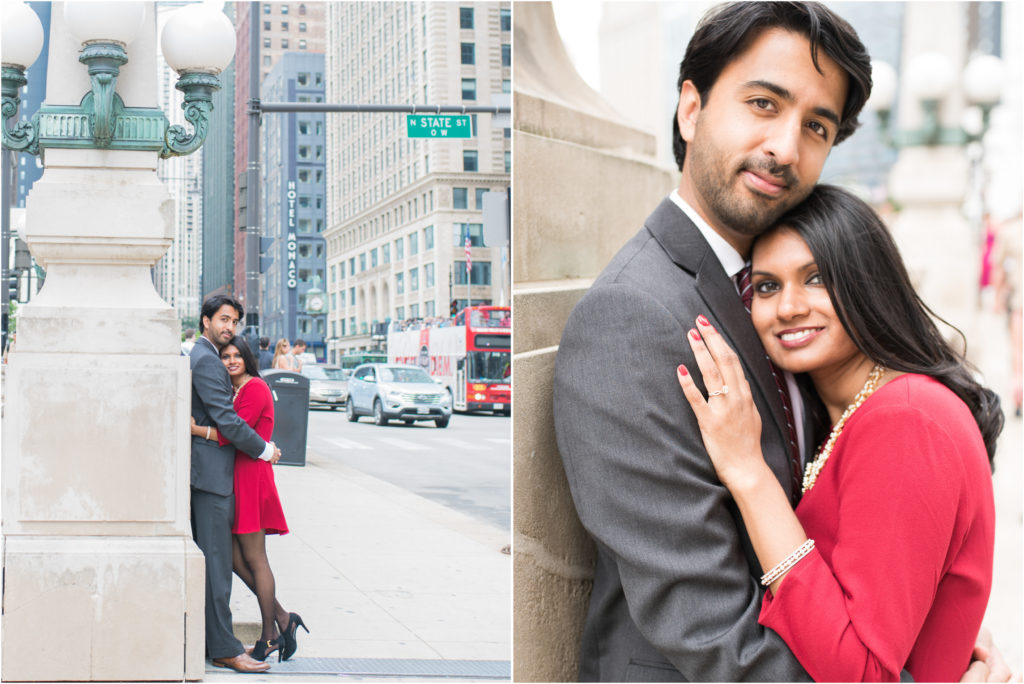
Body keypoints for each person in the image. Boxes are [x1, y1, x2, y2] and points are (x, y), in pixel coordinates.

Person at [552, 3, 1009, 681]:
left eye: (816, 126)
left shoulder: (791, 324)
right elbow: (707, 627)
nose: (786, 147)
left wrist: (927, 622)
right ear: (690, 109)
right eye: (763, 103)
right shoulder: (633, 315)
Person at [675, 185, 999, 681]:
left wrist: (748, 473)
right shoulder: (860, 412)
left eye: (816, 279)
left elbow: (861, 672)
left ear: (868, 283)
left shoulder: (906, 420)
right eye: (766, 287)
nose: (788, 308)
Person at [191, 336, 308, 662]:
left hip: (252, 479)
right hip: (238, 478)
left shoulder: (254, 387)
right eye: (225, 356)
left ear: (247, 358)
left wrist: (198, 430)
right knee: (233, 558)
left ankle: (270, 635)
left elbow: (233, 431)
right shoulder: (237, 390)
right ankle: (284, 619)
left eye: (236, 356)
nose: (230, 361)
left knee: (256, 559)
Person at [190, 294, 281, 674]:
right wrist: (264, 450)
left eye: (234, 322)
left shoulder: (202, 356)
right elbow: (228, 421)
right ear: (206, 320)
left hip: (213, 475)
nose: (229, 327)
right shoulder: (207, 360)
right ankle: (226, 649)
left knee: (220, 562)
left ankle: (225, 639)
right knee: (217, 565)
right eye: (223, 319)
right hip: (211, 477)